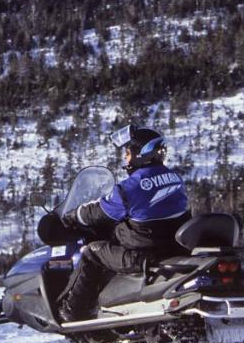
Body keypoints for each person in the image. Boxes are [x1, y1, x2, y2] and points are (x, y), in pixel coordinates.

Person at [56, 124, 191, 323]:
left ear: (140, 154)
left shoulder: (130, 187)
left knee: (92, 252)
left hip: (143, 254)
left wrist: (73, 215)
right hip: (171, 247)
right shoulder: (174, 178)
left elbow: (100, 211)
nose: (126, 158)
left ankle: (73, 311)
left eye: (128, 153)